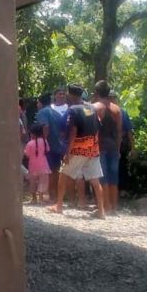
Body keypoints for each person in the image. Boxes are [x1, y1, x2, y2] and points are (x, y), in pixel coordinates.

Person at [48, 84, 105, 218]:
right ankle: (101, 211)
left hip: (78, 148)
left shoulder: (73, 109)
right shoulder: (91, 107)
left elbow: (73, 131)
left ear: (71, 95)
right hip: (92, 148)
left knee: (63, 174)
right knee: (95, 180)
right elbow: (97, 127)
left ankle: (59, 206)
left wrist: (68, 153)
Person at [93, 81, 123, 214]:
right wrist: (118, 149)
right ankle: (114, 207)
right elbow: (119, 132)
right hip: (113, 146)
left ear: (96, 93)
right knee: (113, 177)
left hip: (100, 146)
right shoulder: (117, 109)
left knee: (103, 177)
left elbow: (94, 130)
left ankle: (105, 206)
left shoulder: (96, 108)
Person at [34, 92, 67, 198]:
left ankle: (51, 194)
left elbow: (45, 127)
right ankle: (56, 194)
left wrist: (42, 142)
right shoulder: (55, 113)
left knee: (49, 171)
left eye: (37, 103)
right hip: (59, 145)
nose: (37, 105)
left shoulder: (42, 112)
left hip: (49, 146)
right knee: (56, 170)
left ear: (40, 103)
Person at [23, 123, 51, 204]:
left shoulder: (30, 143)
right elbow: (48, 150)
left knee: (32, 182)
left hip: (33, 166)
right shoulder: (45, 141)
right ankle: (41, 198)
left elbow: (27, 154)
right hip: (44, 165)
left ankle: (34, 198)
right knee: (42, 181)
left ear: (32, 133)